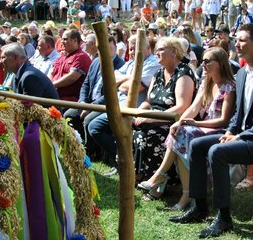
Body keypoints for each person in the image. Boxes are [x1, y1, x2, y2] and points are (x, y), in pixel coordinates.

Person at [169, 24, 253, 239]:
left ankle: (224, 218)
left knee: (217, 151)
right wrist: (233, 130)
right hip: (243, 136)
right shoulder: (241, 73)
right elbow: (238, 116)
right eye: (237, 40)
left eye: (242, 40)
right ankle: (199, 207)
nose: (237, 44)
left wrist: (240, 135)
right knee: (197, 145)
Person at [138, 46, 235, 210]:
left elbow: (223, 120)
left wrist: (194, 123)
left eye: (207, 61)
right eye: (202, 60)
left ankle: (163, 177)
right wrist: (180, 121)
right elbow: (194, 108)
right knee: (179, 133)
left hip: (217, 129)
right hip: (203, 128)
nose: (202, 64)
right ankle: (182, 193)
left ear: (219, 63)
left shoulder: (229, 87)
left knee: (182, 135)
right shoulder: (206, 84)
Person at [88, 35, 161, 165]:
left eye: (135, 49)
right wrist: (130, 78)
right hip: (119, 106)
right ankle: (121, 161)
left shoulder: (153, 64)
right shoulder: (131, 63)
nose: (132, 53)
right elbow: (112, 78)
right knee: (92, 124)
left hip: (134, 110)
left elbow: (136, 86)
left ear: (148, 48)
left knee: (95, 126)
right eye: (130, 49)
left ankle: (125, 162)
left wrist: (125, 82)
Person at [132, 37, 196, 180]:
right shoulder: (159, 73)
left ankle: (158, 180)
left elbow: (182, 106)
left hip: (172, 122)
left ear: (173, 52)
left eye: (160, 49)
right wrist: (139, 113)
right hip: (152, 117)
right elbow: (148, 101)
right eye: (155, 51)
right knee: (129, 128)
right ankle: (134, 174)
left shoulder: (183, 73)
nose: (156, 53)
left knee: (146, 135)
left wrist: (151, 117)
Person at [49, 29, 92, 102]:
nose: (62, 42)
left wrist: (51, 86)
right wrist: (48, 84)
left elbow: (71, 78)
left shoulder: (81, 57)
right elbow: (51, 72)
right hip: (53, 96)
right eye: (62, 39)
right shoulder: (62, 57)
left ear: (74, 40)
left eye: (65, 39)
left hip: (69, 101)